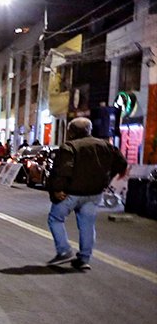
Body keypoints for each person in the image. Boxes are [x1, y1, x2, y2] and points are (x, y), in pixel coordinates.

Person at [45, 116, 128, 271]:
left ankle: (64, 250)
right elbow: (122, 163)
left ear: (72, 132)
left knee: (55, 219)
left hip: (71, 193)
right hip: (94, 193)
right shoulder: (105, 145)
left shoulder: (69, 146)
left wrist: (57, 189)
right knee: (87, 225)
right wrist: (107, 179)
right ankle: (84, 259)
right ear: (89, 130)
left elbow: (64, 170)